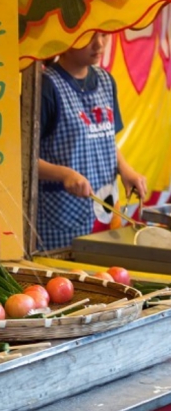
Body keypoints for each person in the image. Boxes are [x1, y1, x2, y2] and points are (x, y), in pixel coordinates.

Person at [36, 32, 148, 251]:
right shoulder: (46, 87)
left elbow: (105, 139)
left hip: (105, 211)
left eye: (103, 35)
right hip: (62, 214)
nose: (99, 44)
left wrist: (126, 170)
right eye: (88, 37)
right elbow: (22, 160)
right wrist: (65, 174)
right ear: (66, 40)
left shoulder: (106, 80)